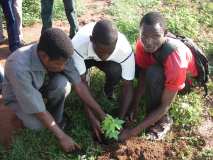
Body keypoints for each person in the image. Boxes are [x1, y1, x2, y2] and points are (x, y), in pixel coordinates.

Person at [2, 28, 107, 152]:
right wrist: (62, 137)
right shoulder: (18, 67)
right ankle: (52, 124)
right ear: (44, 57)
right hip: (18, 97)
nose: (63, 67)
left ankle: (57, 119)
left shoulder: (59, 53)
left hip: (40, 88)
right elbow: (38, 109)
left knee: (62, 84)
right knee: (37, 126)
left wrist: (102, 116)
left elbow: (79, 85)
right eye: (59, 64)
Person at [119, 12, 198, 141]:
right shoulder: (141, 44)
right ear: (139, 33)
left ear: (165, 34)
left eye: (156, 36)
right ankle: (150, 110)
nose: (149, 42)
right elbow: (143, 74)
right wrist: (135, 104)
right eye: (144, 35)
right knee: (145, 69)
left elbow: (165, 106)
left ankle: (163, 120)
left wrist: (132, 132)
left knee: (154, 73)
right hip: (164, 69)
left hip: (185, 81)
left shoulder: (176, 60)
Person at [71, 19, 135, 138]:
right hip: (85, 58)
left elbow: (128, 85)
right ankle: (86, 72)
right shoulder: (77, 45)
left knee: (116, 70)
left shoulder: (124, 50)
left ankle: (108, 90)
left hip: (109, 62)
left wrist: (118, 120)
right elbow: (80, 84)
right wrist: (92, 116)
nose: (104, 56)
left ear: (116, 42)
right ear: (91, 40)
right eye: (100, 51)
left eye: (109, 52)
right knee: (81, 78)